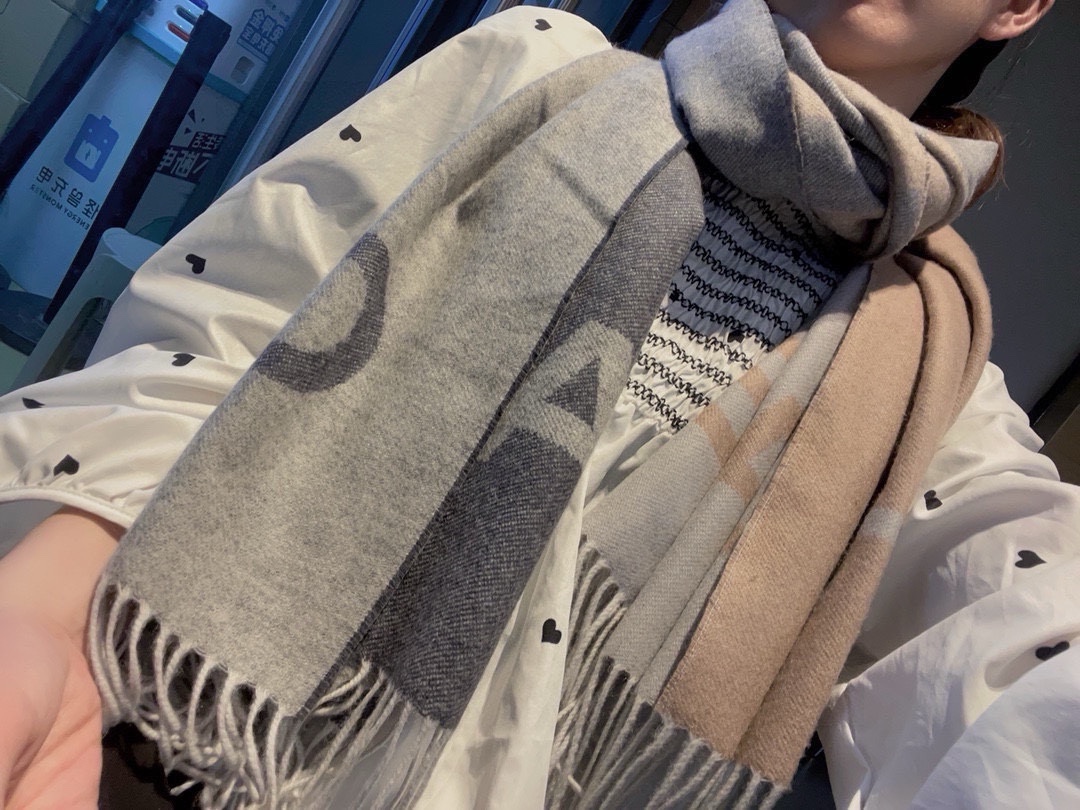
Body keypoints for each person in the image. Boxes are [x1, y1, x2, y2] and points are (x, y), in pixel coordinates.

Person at [0, 0, 1075, 807]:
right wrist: (41, 614)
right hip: (180, 738)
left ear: (1017, 7)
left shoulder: (932, 365)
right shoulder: (544, 69)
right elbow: (233, 325)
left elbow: (1024, 632)